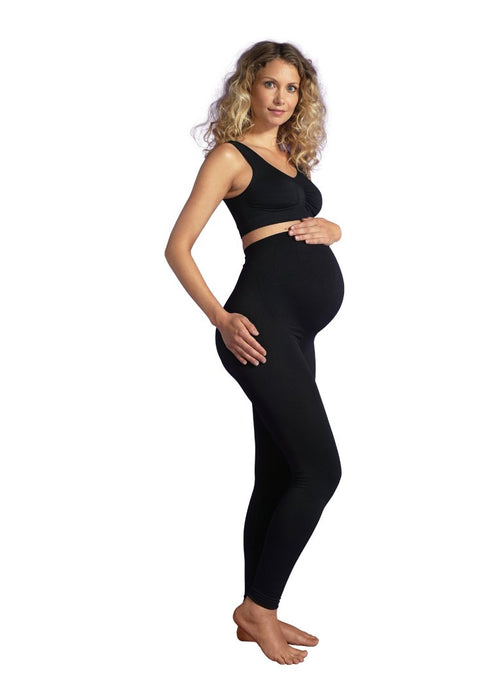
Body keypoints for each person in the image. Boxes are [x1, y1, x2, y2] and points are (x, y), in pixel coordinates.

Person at [164, 40, 344, 665]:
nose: (281, 97)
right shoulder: (230, 156)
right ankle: (259, 608)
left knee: (280, 473)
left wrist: (334, 229)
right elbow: (177, 246)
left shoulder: (291, 158)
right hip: (259, 330)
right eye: (271, 84)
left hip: (297, 332)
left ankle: (253, 609)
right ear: (249, 86)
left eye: (292, 88)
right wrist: (221, 318)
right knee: (320, 471)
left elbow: (307, 227)